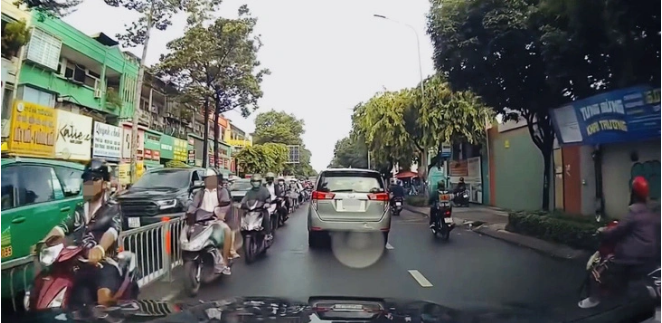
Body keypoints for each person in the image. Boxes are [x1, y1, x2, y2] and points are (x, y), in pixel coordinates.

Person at [36, 159, 123, 306]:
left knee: (104, 301)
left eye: (94, 179)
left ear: (104, 184)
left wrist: (100, 248)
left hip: (104, 264)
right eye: (86, 179)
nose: (89, 183)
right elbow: (62, 227)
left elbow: (113, 231)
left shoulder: (113, 208)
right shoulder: (79, 208)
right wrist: (43, 242)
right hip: (79, 266)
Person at [578, 176, 661, 309]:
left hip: (633, 257)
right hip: (652, 255)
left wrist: (603, 232)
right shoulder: (651, 212)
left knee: (600, 267)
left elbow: (617, 232)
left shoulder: (634, 213)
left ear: (633, 193)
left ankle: (595, 298)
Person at [187, 168, 233, 275]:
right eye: (208, 179)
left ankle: (225, 263)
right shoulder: (200, 193)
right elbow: (194, 205)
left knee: (227, 231)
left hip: (215, 221)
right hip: (201, 221)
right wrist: (189, 213)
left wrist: (221, 213)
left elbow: (226, 204)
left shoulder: (222, 191)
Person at [241, 174, 274, 240]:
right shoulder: (249, 192)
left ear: (260, 182)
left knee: (266, 218)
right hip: (251, 211)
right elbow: (244, 200)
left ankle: (268, 234)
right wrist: (240, 204)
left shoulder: (264, 190)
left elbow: (268, 198)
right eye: (253, 181)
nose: (255, 183)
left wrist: (267, 203)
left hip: (261, 210)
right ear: (251, 182)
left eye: (257, 181)